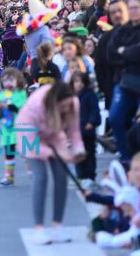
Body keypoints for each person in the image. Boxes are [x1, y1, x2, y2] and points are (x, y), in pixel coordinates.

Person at [15, 82, 86, 245]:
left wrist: (78, 151)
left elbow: (74, 132)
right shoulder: (35, 106)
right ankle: (39, 229)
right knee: (41, 177)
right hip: (28, 135)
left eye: (69, 106)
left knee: (61, 175)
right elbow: (32, 144)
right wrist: (59, 154)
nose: (67, 110)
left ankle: (57, 225)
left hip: (54, 134)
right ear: (54, 103)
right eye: (63, 107)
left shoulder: (73, 103)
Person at [107, 0, 140, 161]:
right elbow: (112, 54)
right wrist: (133, 51)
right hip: (124, 82)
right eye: (131, 8)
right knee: (115, 118)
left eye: (136, 8)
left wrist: (126, 51)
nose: (133, 11)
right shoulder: (122, 30)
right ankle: (126, 157)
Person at [0, 68, 27, 186]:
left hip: (21, 128)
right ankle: (9, 176)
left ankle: (33, 170)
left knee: (25, 152)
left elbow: (23, 109)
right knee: (9, 153)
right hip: (8, 130)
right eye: (5, 80)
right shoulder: (2, 95)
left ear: (18, 80)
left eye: (11, 80)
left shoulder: (21, 94)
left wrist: (11, 106)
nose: (8, 82)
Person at [71, 71, 101, 188]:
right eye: (76, 82)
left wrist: (92, 122)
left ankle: (90, 176)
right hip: (76, 131)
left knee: (89, 154)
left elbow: (94, 110)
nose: (79, 84)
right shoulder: (72, 96)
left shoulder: (90, 95)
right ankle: (80, 175)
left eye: (81, 81)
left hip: (87, 131)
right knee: (78, 154)